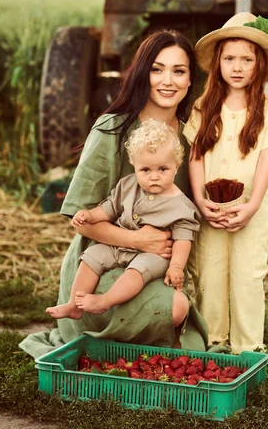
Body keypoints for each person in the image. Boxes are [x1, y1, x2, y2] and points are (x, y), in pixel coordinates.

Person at [19, 30, 208, 358]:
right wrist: (139, 241)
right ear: (141, 74)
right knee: (174, 309)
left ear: (191, 80)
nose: (168, 80)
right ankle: (90, 320)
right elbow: (81, 221)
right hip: (100, 260)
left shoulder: (192, 136)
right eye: (157, 69)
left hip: (156, 262)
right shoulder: (112, 128)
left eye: (179, 71)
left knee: (177, 307)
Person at [184, 12, 268, 354]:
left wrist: (252, 205)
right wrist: (201, 202)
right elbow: (196, 157)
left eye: (247, 59)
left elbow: (266, 161)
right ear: (218, 63)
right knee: (210, 276)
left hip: (249, 210)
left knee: (247, 277)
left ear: (259, 65)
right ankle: (213, 341)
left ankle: (248, 348)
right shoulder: (204, 107)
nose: (237, 66)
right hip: (211, 208)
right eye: (230, 58)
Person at [46, 118, 200, 319]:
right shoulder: (127, 185)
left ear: (177, 166)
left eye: (163, 169)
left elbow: (182, 239)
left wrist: (176, 266)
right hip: (119, 247)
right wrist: (90, 215)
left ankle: (105, 301)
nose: (154, 176)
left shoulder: (181, 206)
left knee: (136, 271)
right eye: (145, 170)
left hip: (154, 256)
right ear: (134, 165)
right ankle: (74, 305)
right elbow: (110, 207)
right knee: (92, 256)